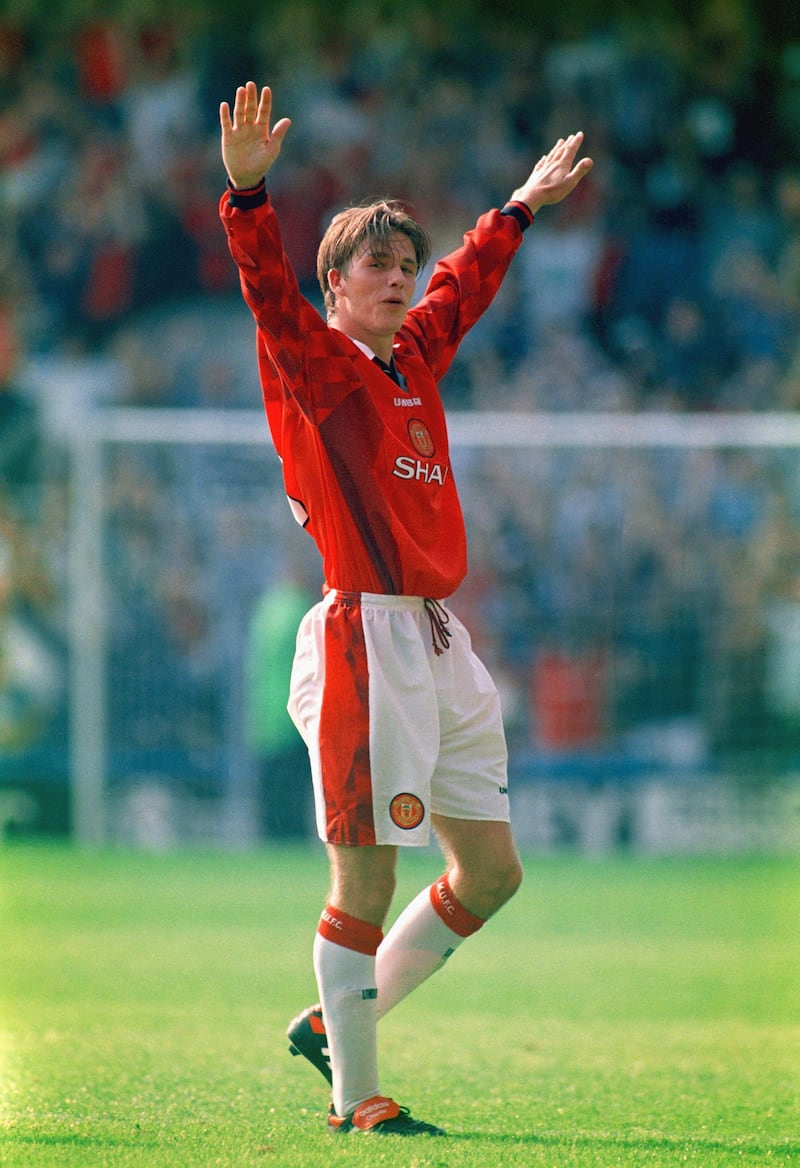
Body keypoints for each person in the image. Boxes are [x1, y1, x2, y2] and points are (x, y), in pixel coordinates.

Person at [219, 81, 593, 1137]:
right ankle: (358, 1101)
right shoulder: (313, 363)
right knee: (368, 877)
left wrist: (516, 205)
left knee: (490, 871)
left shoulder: (412, 355)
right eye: (373, 266)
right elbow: (263, 294)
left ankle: (333, 1021)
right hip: (362, 639)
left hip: (437, 637)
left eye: (401, 263)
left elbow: (463, 284)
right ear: (333, 285)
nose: (395, 278)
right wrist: (247, 196)